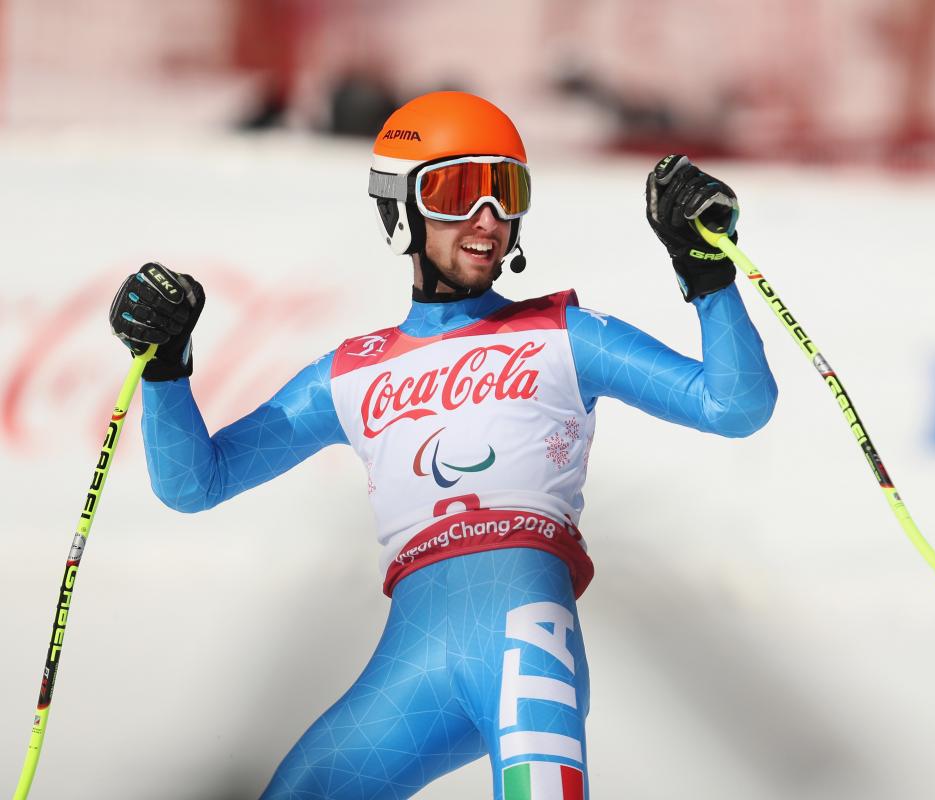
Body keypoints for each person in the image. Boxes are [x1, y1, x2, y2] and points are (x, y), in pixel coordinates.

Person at [108, 91, 777, 800]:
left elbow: (735, 406)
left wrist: (707, 272)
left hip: (527, 635)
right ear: (400, 207)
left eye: (506, 190)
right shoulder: (348, 373)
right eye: (459, 191)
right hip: (411, 668)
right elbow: (193, 483)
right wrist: (165, 370)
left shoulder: (565, 334)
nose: (488, 219)